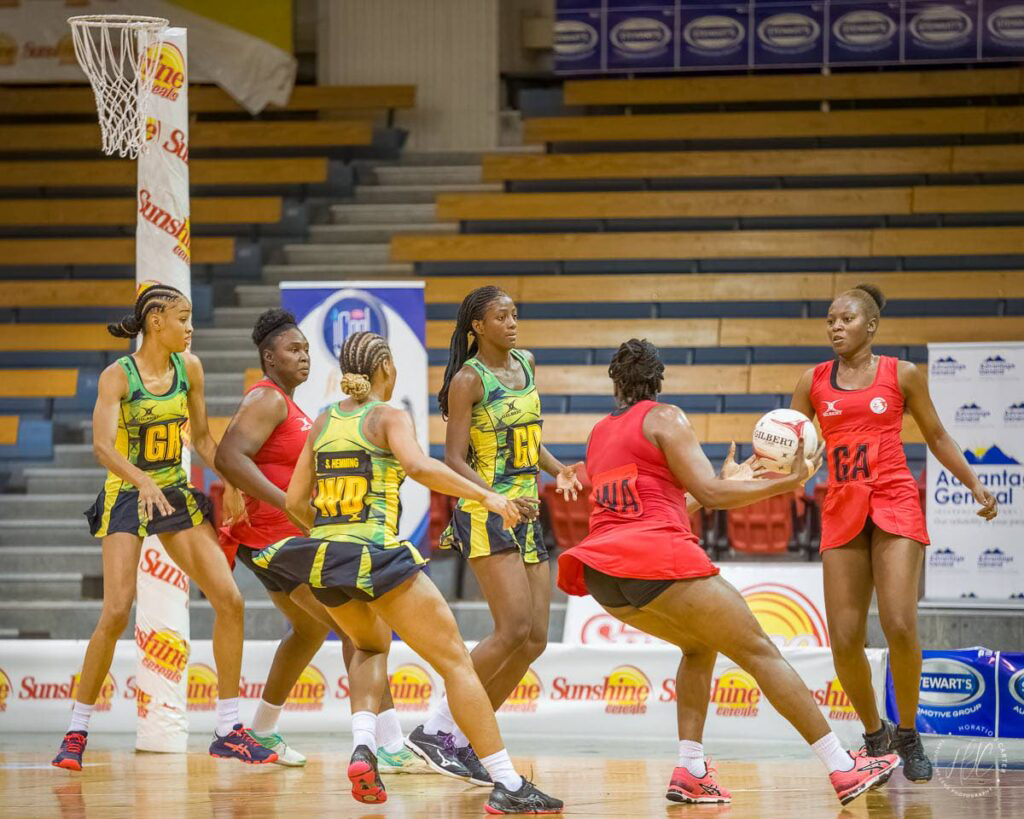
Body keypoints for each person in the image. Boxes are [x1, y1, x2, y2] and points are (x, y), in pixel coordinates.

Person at [557, 338, 901, 807]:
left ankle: (691, 769)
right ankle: (843, 767)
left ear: (615, 383)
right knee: (760, 650)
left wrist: (731, 482)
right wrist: (787, 482)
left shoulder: (599, 433)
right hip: (653, 560)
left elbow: (664, 506)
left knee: (699, 645)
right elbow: (710, 496)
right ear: (658, 380)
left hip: (603, 574)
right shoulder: (666, 417)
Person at [253, 331, 563, 813]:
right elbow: (420, 467)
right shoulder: (388, 417)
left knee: (371, 646)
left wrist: (333, 533)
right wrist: (488, 496)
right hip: (377, 556)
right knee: (456, 662)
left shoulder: (325, 420)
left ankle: (363, 747)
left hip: (323, 559)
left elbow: (294, 502)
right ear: (386, 369)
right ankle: (506, 782)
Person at [53, 282, 276, 770]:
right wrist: (140, 481)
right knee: (115, 611)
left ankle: (228, 728)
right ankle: (75, 731)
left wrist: (232, 481)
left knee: (230, 600)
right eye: (183, 318)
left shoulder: (189, 368)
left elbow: (200, 437)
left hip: (173, 493)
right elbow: (102, 448)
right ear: (156, 322)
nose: (190, 327)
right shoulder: (118, 377)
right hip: (128, 495)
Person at [790, 283, 998, 782]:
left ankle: (909, 731)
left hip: (894, 500)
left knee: (900, 624)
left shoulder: (901, 374)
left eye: (845, 319)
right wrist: (777, 466)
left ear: (871, 325)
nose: (835, 327)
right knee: (844, 639)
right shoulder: (812, 380)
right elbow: (785, 443)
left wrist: (974, 483)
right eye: (829, 320)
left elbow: (938, 436)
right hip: (841, 507)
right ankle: (874, 734)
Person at [214, 309, 422, 772]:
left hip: (275, 540)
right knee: (360, 629)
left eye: (307, 349)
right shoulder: (268, 399)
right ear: (269, 357)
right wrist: (288, 504)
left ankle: (263, 729)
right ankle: (386, 743)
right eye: (293, 349)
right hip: (278, 539)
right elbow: (228, 454)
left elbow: (238, 458)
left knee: (310, 630)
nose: (304, 356)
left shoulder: (285, 403)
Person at [407, 286, 581, 784]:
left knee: (535, 640)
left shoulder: (526, 363)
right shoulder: (468, 380)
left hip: (528, 509)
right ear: (477, 327)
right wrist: (494, 498)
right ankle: (438, 728)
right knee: (511, 629)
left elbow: (529, 435)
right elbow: (453, 460)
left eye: (514, 314)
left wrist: (557, 468)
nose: (511, 322)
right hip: (486, 512)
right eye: (500, 316)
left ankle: (460, 739)